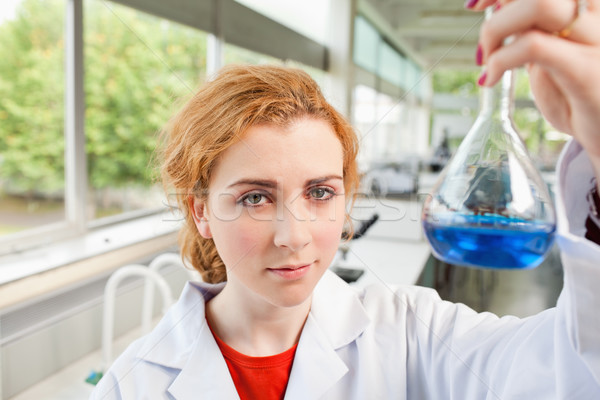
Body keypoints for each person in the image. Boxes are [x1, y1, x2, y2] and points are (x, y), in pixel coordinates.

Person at [92, 0, 600, 398]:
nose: (294, 236)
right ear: (200, 210)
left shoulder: (410, 332)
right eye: (254, 198)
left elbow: (571, 373)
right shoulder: (132, 384)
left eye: (319, 192)